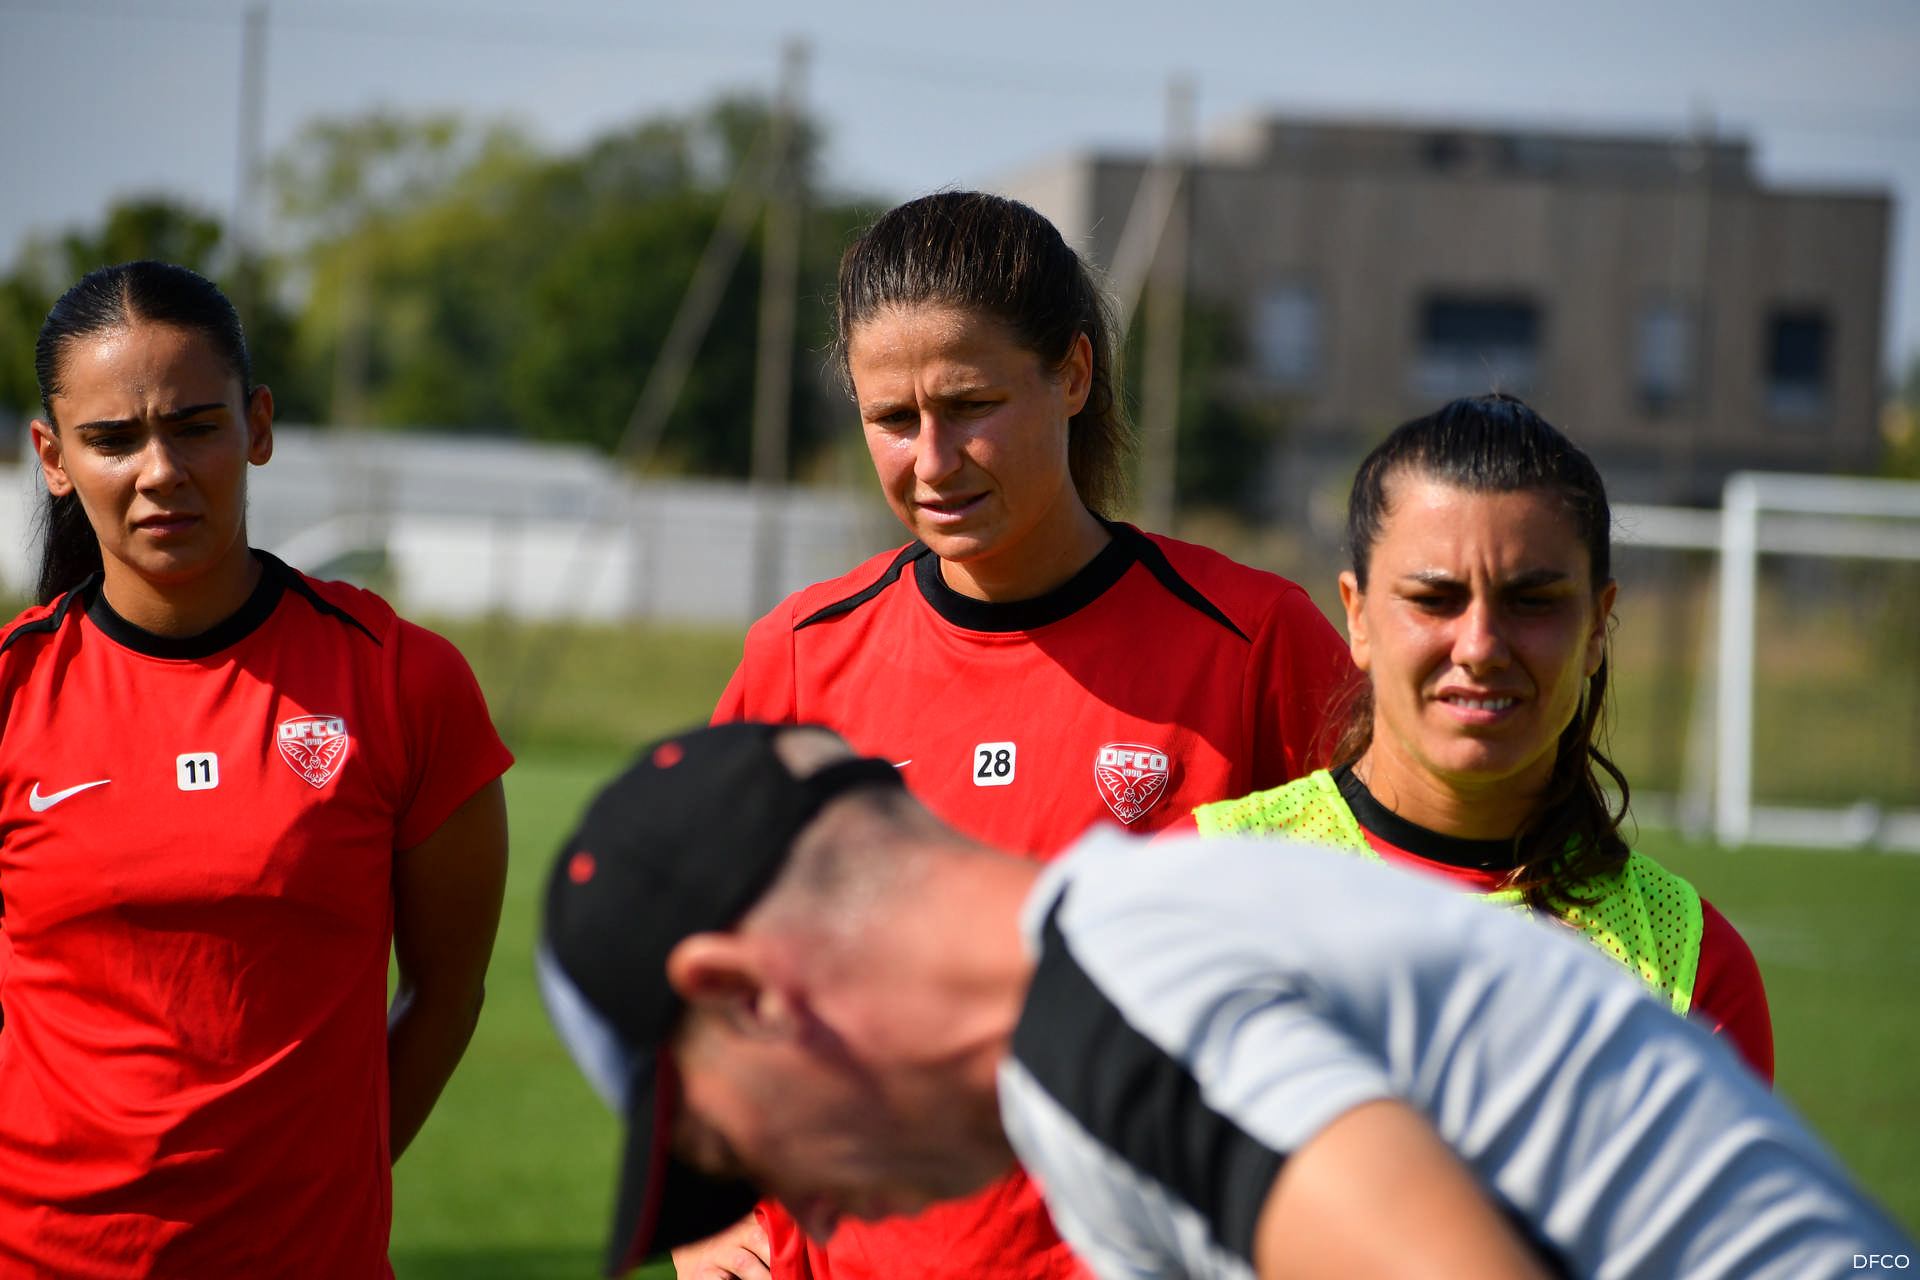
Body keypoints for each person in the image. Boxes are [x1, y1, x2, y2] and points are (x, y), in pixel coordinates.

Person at [539, 721, 1913, 1280]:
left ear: (751, 999)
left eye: (730, 1154)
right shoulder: (1110, 975)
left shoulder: (1118, 1008)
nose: (809, 1219)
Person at [698, 192, 1353, 1279]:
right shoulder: (804, 654)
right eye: (892, 420)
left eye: (971, 404)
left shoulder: (1251, 642)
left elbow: (1383, 956)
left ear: (1076, 376)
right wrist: (710, 1217)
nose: (934, 459)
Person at [0, 261, 513, 1277]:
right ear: (54, 458)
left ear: (259, 425)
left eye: (195, 425)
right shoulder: (14, 692)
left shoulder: (404, 680)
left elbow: (448, 991)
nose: (160, 470)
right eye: (112, 439)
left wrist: (320, 1181)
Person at [1186, 394, 1773, 1078]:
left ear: (1595, 626)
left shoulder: (1688, 960)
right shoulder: (1205, 884)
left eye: (1532, 601)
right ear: (1359, 617)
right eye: (1435, 600)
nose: (1481, 645)